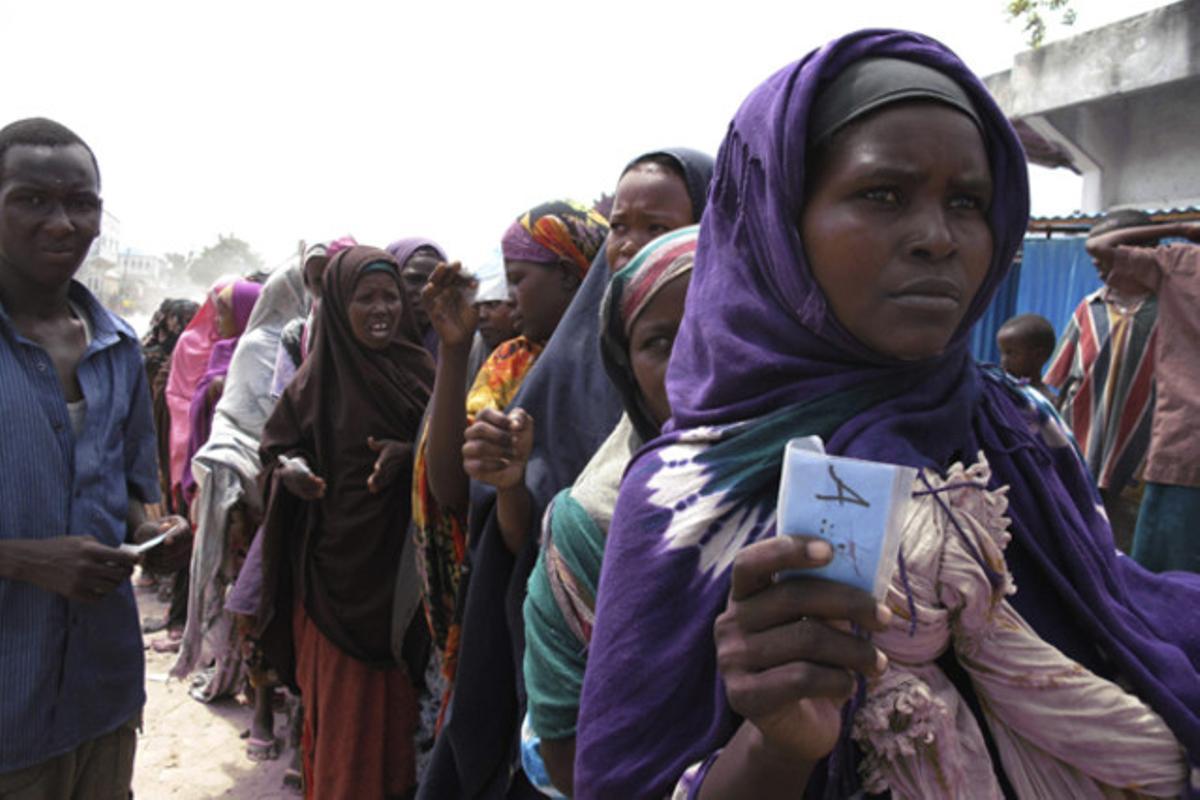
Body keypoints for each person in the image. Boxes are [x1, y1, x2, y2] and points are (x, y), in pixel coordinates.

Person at [574, 34, 1200, 799]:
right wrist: (775, 744)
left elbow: (1110, 616)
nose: (939, 239)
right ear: (779, 222)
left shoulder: (1023, 425)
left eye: (967, 203)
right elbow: (628, 779)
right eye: (883, 195)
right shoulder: (686, 499)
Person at [420, 150, 712, 800]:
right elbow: (523, 539)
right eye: (620, 226)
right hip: (566, 672)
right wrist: (510, 484)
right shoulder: (566, 365)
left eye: (657, 226)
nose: (630, 246)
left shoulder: (740, 376)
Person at [0, 117, 188, 797]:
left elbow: (137, 494)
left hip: (102, 698)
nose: (61, 223)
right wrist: (24, 558)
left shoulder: (116, 349)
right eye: (31, 199)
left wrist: (151, 534)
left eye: (81, 203)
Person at [522, 225, 699, 797]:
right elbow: (570, 755)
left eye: (718, 323)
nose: (694, 360)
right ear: (624, 364)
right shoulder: (590, 524)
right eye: (659, 342)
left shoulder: (838, 473)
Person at [413, 199, 609, 708]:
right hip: (517, 597)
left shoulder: (622, 364)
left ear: (570, 276)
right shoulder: (510, 364)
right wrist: (454, 352)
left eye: (518, 278)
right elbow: (453, 491)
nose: (509, 296)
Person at [257, 246, 435, 800]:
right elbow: (277, 451)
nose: (381, 309)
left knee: (404, 725)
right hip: (336, 587)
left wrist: (412, 455)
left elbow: (447, 453)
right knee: (343, 729)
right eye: (365, 298)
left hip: (406, 582)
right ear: (337, 305)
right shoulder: (313, 383)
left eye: (390, 296)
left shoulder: (423, 370)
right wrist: (293, 474)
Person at [1086, 217, 1200, 574]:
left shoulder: (1181, 263)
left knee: (1167, 581)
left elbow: (1101, 245)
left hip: (1181, 448)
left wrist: (1181, 227)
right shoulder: (1178, 265)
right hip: (1178, 449)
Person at [1045, 209, 1159, 551]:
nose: (1096, 263)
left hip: (1142, 466)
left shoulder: (1175, 311)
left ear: (1145, 252)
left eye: (1105, 253)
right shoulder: (1088, 309)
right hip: (1082, 456)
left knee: (1128, 553)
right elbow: (1062, 386)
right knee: (1076, 545)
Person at [180, 278, 263, 504]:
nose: (217, 321)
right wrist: (210, 390)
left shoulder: (261, 352)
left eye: (223, 313)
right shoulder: (222, 351)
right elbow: (198, 401)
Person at [165, 277, 233, 511]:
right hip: (188, 425)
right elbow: (176, 390)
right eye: (218, 308)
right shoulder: (189, 342)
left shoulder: (243, 346)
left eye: (226, 310)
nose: (218, 318)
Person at [389, 237, 449, 359]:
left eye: (436, 283)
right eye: (414, 279)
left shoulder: (453, 346)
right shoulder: (365, 349)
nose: (425, 292)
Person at [995, 312, 1055, 399]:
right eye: (1002, 353)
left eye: (1011, 353)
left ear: (1038, 356)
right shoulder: (999, 391)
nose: (1003, 360)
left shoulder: (1045, 402)